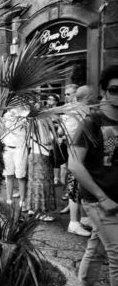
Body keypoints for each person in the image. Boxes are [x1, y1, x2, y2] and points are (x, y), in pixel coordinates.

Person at [70, 66, 118, 286]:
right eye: (114, 90)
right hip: (100, 201)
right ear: (103, 91)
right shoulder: (92, 121)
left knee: (97, 250)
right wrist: (102, 197)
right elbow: (74, 164)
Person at [61, 84, 93, 236]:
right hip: (77, 156)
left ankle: (84, 219)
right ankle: (74, 223)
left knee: (79, 187)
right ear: (87, 97)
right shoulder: (81, 110)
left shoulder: (70, 109)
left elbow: (62, 132)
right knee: (75, 187)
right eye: (91, 95)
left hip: (74, 154)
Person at [2, 106, 30, 207]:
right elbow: (1, 131)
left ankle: (22, 200)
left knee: (21, 175)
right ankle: (8, 198)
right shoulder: (5, 115)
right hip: (7, 148)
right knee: (8, 175)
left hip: (20, 148)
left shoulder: (25, 116)